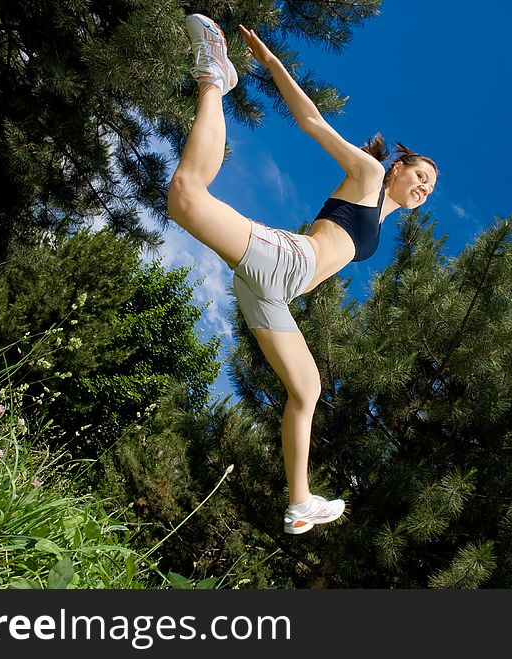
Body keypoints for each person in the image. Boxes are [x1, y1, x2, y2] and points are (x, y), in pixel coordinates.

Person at [167, 14, 439, 535]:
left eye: (431, 188)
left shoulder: (381, 221)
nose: (424, 188)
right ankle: (215, 81)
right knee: (185, 198)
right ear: (399, 168)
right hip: (288, 262)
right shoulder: (371, 175)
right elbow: (312, 120)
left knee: (308, 389)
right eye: (421, 175)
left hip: (275, 296)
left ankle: (299, 502)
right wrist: (270, 63)